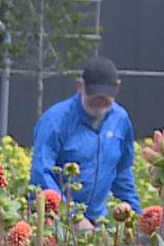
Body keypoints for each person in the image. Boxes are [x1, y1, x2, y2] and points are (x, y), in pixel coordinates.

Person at [30, 56, 143, 228]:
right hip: (54, 221)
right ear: (80, 86)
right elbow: (41, 173)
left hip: (97, 222)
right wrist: (71, 216)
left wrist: (139, 218)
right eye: (93, 94)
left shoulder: (121, 120)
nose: (99, 101)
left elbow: (122, 173)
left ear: (117, 87)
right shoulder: (55, 120)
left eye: (105, 96)